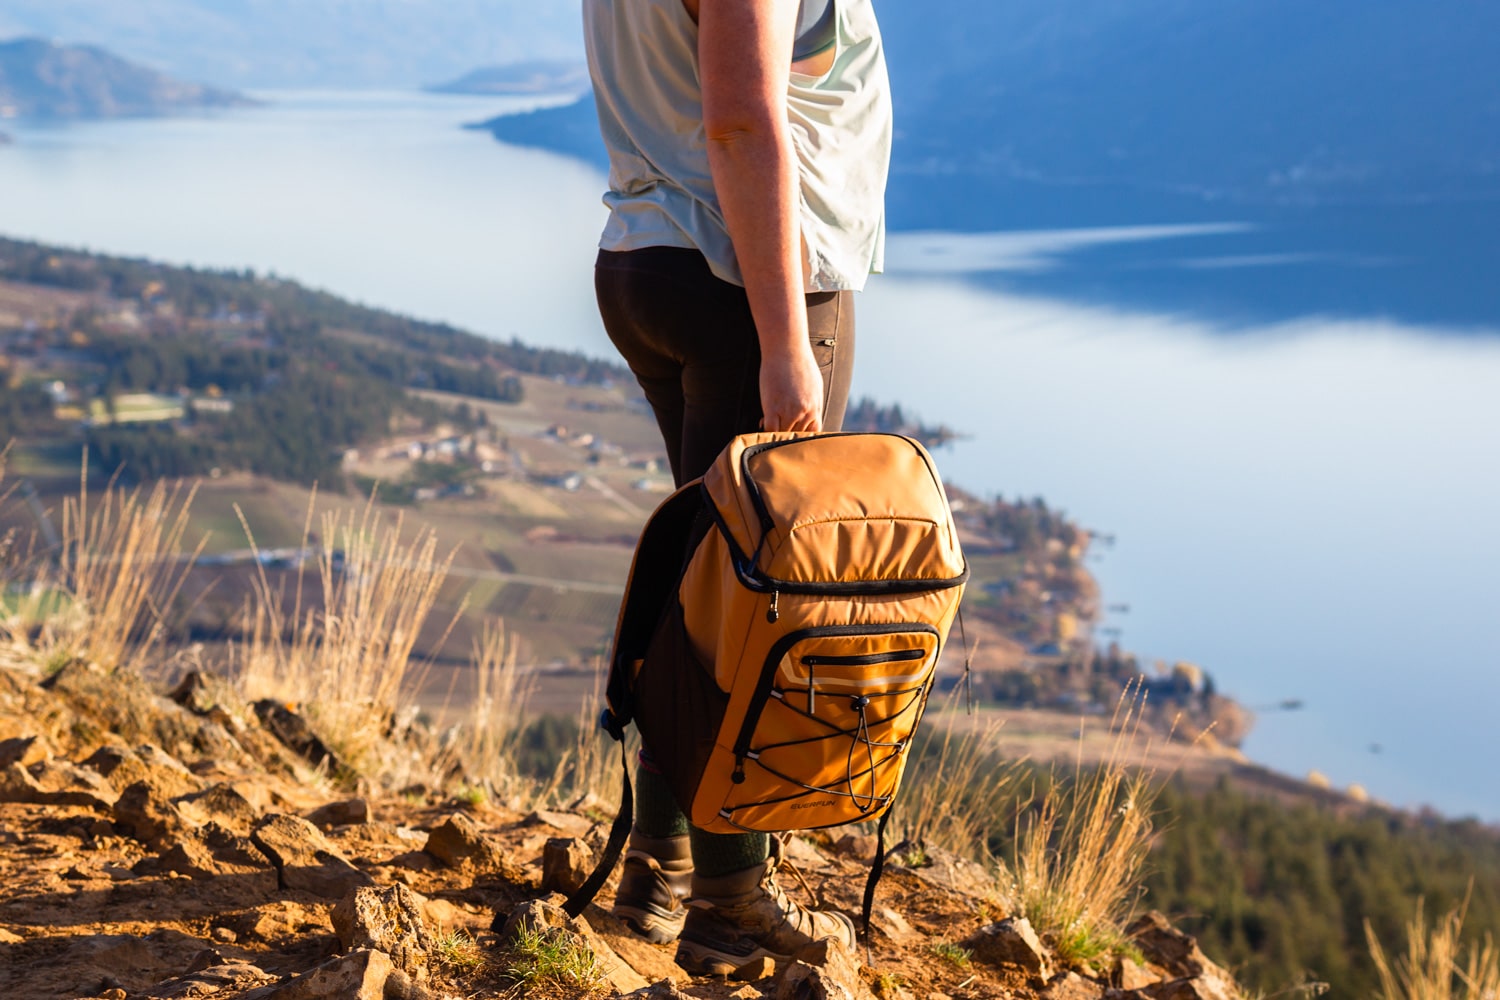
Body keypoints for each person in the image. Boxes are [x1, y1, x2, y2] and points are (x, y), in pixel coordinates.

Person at [582, 0, 893, 976]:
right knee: (759, 603)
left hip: (653, 251)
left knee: (704, 588)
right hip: (746, 279)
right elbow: (739, 118)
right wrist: (787, 341)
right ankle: (732, 900)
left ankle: (662, 871)